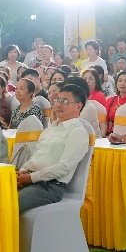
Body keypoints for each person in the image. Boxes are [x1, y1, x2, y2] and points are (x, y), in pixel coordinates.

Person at [15, 83, 91, 211]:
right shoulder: (50, 130)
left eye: (65, 101)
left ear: (78, 106)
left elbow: (64, 167)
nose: (59, 105)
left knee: (9, 204)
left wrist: (30, 178)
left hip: (49, 187)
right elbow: (36, 157)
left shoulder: (78, 132)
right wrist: (22, 172)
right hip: (30, 178)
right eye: (58, 100)